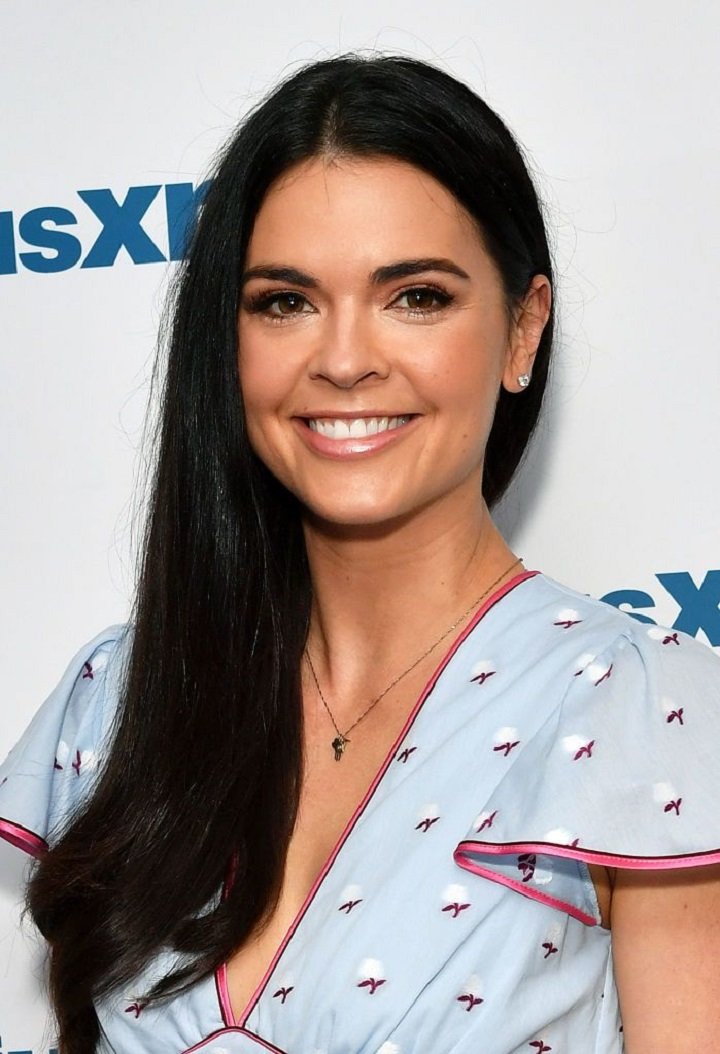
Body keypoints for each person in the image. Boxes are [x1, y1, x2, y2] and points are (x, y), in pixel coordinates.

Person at [1, 52, 719, 1054]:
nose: (343, 359)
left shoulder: (646, 716)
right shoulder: (117, 700)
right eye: (284, 301)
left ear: (523, 330)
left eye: (415, 296)